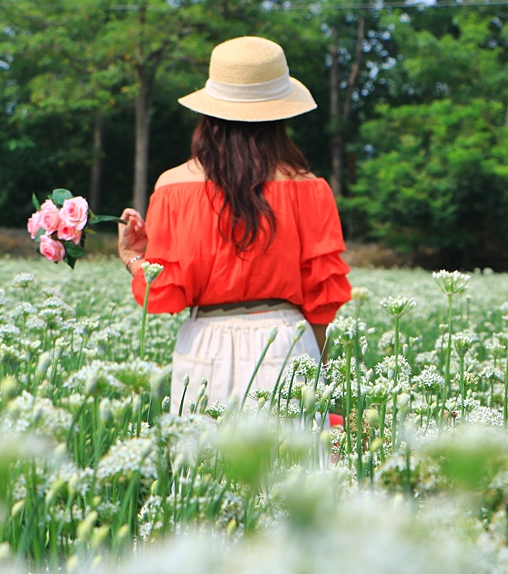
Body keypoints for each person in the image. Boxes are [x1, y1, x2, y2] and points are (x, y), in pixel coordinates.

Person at [117, 36, 352, 413]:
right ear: (281, 115)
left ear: (210, 113)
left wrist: (131, 255)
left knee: (202, 469)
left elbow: (164, 294)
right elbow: (321, 303)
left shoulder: (172, 187)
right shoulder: (311, 189)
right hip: (287, 343)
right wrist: (323, 373)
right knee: (292, 468)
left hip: (203, 345)